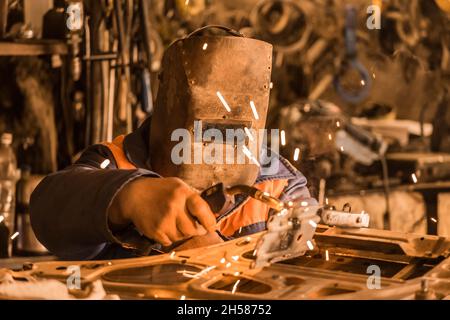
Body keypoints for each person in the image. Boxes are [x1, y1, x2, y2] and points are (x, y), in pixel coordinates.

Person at [30, 26, 315, 260]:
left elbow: (306, 258)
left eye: (228, 128)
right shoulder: (116, 162)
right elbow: (48, 209)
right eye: (206, 127)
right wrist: (129, 196)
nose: (216, 138)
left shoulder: (278, 183)